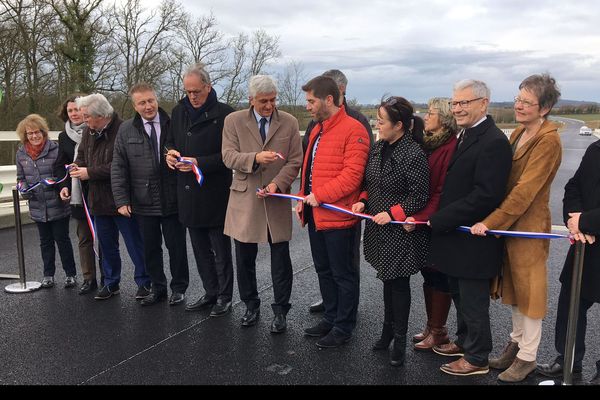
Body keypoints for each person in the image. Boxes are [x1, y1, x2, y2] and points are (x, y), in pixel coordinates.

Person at [469, 74, 562, 382]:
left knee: (530, 291)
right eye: (518, 99)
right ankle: (516, 344)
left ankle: (528, 357)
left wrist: (490, 221)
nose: (519, 106)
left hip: (528, 227)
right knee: (515, 289)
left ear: (545, 108)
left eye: (527, 102)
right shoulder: (519, 134)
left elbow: (525, 190)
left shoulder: (548, 140)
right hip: (510, 224)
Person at [427, 79, 512, 376]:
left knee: (473, 301)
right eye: (455, 103)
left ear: (483, 104)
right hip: (457, 239)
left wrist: (442, 218)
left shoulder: (494, 141)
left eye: (465, 102)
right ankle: (465, 342)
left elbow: (485, 196)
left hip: (473, 240)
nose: (458, 108)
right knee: (460, 295)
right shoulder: (466, 135)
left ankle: (477, 357)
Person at [351, 96, 429, 365]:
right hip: (377, 227)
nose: (377, 124)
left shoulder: (414, 154)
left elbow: (420, 196)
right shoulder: (378, 147)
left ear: (399, 125)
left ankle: (400, 339)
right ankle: (386, 332)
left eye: (381, 121)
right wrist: (362, 198)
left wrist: (393, 213)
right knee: (386, 280)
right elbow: (368, 181)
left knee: (398, 284)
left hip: (399, 231)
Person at [222, 75, 303, 333]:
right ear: (251, 100)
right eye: (263, 101)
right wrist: (255, 157)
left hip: (276, 197)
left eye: (272, 100)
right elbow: (228, 156)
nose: (269, 106)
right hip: (245, 197)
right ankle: (250, 305)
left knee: (280, 258)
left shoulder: (289, 122)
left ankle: (280, 311)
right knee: (244, 257)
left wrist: (277, 184)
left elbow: (294, 160)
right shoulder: (233, 121)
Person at [297, 75, 370, 348]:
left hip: (339, 217)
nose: (308, 106)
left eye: (311, 100)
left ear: (329, 99)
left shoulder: (355, 130)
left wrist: (319, 196)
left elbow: (353, 176)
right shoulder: (318, 128)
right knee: (324, 270)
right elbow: (310, 168)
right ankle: (330, 317)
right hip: (317, 213)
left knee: (343, 274)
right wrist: (304, 199)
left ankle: (343, 326)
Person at [165, 64, 235, 317]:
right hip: (187, 193)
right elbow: (170, 141)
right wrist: (170, 155)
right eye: (187, 91)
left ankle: (225, 296)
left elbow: (230, 156)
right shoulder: (179, 111)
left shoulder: (226, 114)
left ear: (208, 86)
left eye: (196, 91)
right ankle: (210, 291)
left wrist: (200, 163)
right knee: (199, 249)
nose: (192, 96)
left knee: (220, 250)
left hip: (215, 192)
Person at [112, 83, 189, 307]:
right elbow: (118, 166)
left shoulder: (173, 123)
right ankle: (158, 288)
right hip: (143, 199)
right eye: (142, 103)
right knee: (150, 248)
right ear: (135, 106)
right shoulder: (125, 130)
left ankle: (179, 288)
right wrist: (122, 200)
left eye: (151, 100)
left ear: (157, 99)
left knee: (176, 247)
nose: (148, 106)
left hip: (172, 196)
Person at [72, 93, 151, 300]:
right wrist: (77, 166)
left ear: (100, 115)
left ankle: (145, 281)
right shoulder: (89, 132)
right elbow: (82, 155)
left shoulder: (124, 130)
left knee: (135, 244)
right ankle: (111, 282)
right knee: (106, 246)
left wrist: (90, 172)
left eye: (87, 116)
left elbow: (122, 166)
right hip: (97, 199)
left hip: (121, 199)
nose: (84, 120)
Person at [537, 140, 600, 385]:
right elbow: (573, 186)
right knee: (571, 304)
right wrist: (574, 221)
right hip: (587, 245)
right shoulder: (596, 149)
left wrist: (586, 222)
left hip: (589, 230)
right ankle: (568, 361)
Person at [404, 98, 458, 351]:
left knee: (439, 275)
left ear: (444, 119)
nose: (426, 116)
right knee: (428, 273)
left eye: (431, 112)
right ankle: (431, 325)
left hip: (435, 220)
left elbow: (440, 190)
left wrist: (420, 217)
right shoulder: (429, 145)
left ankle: (439, 330)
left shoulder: (449, 147)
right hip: (426, 220)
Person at [16, 114, 77, 288]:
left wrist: (59, 186)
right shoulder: (21, 153)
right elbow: (20, 178)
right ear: (25, 135)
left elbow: (62, 173)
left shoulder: (55, 149)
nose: (34, 136)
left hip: (58, 204)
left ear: (43, 132)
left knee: (62, 239)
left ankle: (70, 274)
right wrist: (23, 189)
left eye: (36, 132)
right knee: (45, 242)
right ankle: (48, 275)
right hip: (37, 206)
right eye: (29, 134)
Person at [56, 94, 103, 295]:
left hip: (98, 189)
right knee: (84, 237)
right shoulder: (64, 136)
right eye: (70, 111)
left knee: (104, 237)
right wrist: (64, 185)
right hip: (77, 195)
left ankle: (109, 278)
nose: (74, 114)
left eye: (77, 110)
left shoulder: (95, 129)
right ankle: (89, 278)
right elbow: (61, 164)